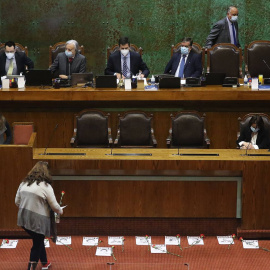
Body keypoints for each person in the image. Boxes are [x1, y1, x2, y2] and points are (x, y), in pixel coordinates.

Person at [15, 161, 63, 270]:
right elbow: (55, 206)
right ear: (47, 172)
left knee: (38, 239)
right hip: (38, 221)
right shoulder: (46, 186)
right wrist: (60, 211)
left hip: (24, 219)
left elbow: (17, 201)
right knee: (36, 244)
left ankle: (45, 263)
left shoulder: (23, 183)